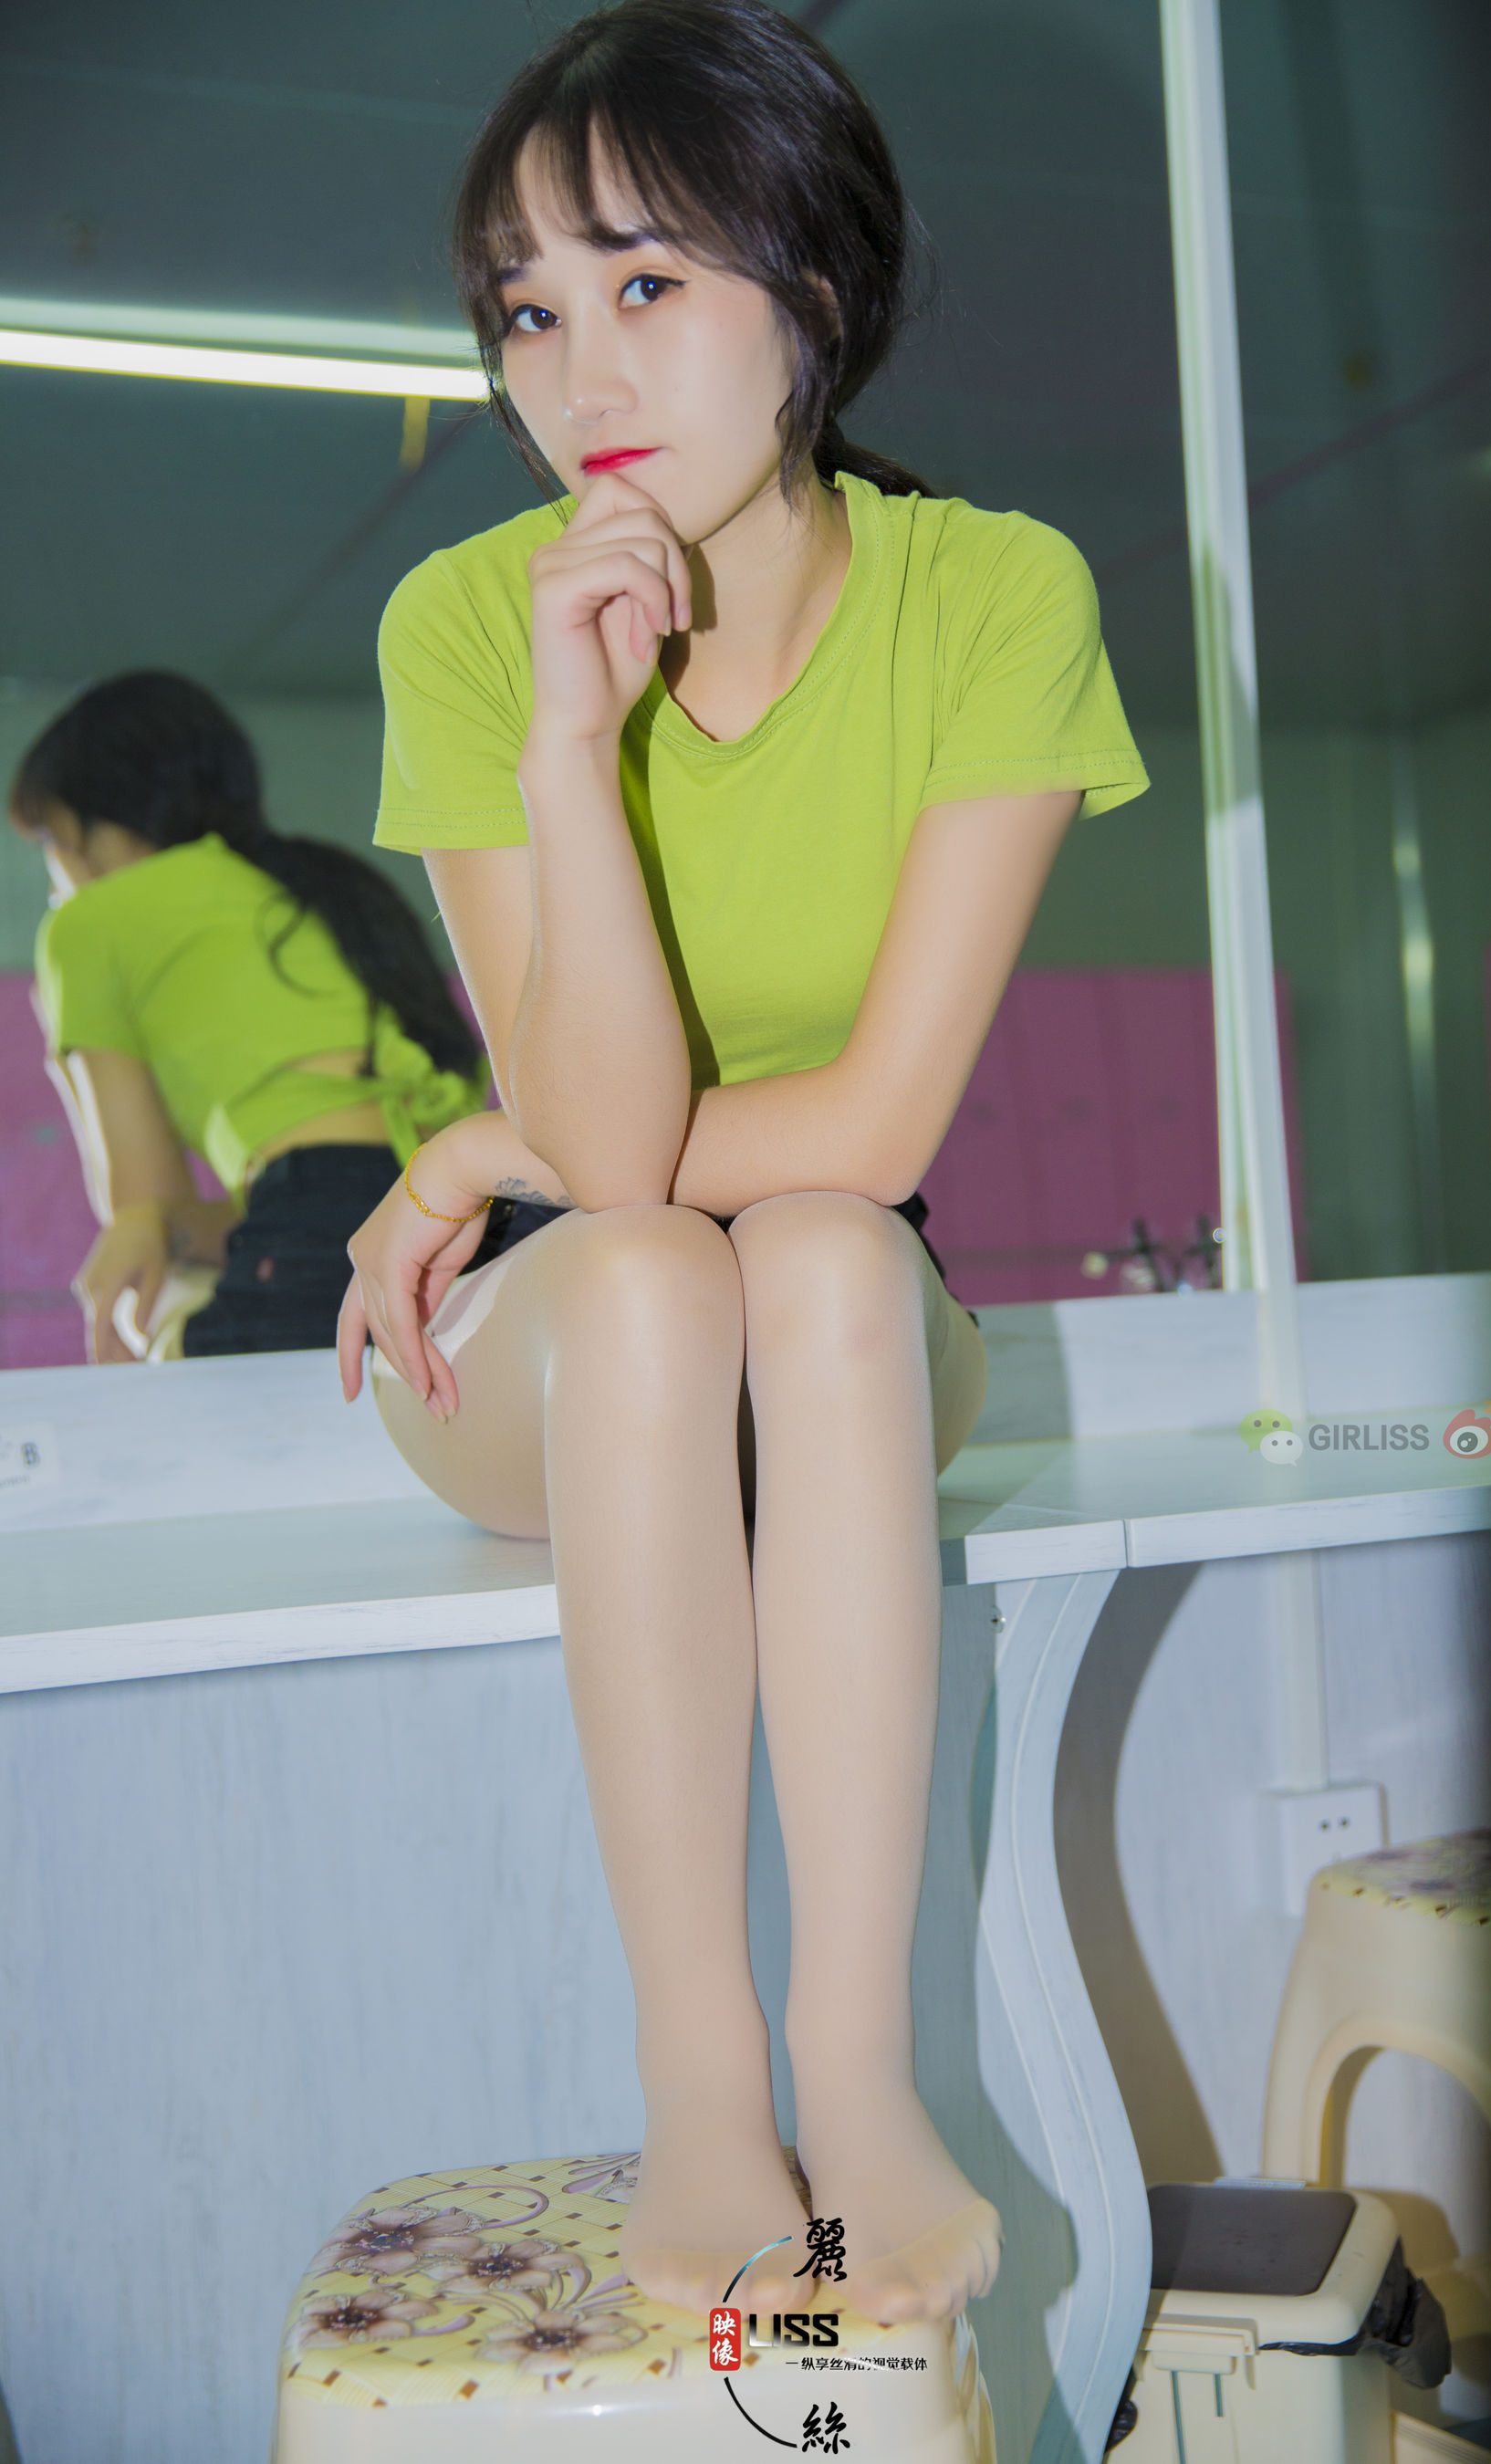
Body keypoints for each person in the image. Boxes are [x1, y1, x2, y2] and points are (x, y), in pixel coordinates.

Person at [339, 0, 1149, 2329]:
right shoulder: (465, 624)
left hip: (838, 1327)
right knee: (658, 1269)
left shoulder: (994, 593)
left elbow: (882, 1133)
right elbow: (612, 1177)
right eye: (526, 308)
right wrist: (568, 750)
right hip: (557, 1349)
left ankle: (857, 2067)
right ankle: (704, 2070)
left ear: (813, 283)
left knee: (813, 1245)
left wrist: (471, 1131)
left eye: (645, 280)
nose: (576, 367)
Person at [11, 671, 490, 1361]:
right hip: (461, 1221)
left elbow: (146, 1209)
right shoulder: (328, 886)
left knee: (175, 1341)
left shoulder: (89, 922)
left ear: (98, 829)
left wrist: (66, 1051)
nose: (57, 877)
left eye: (50, 841)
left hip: (315, 1219)